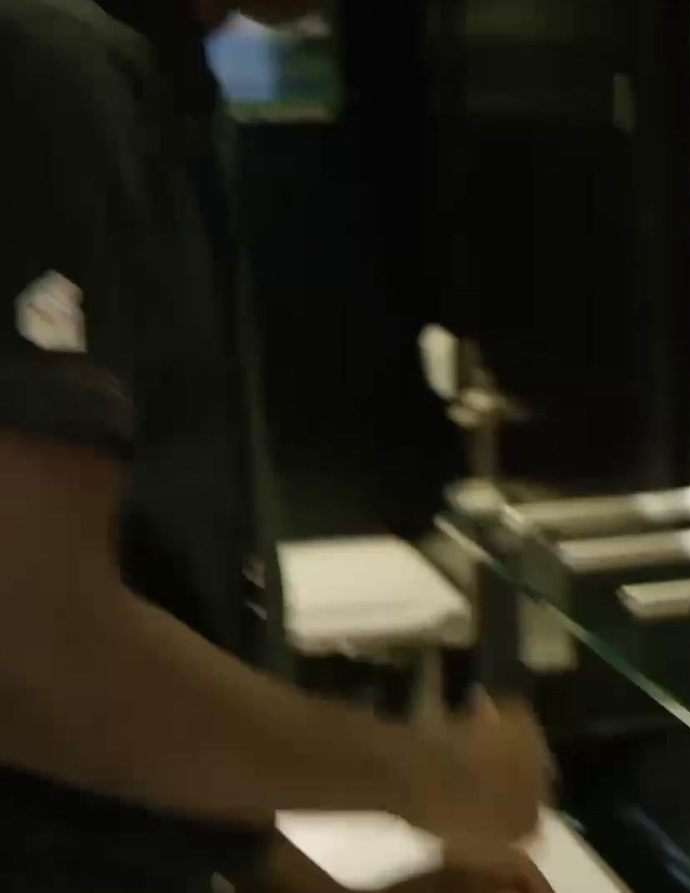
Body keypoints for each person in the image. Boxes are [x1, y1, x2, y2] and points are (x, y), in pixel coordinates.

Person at [0, 1, 553, 890]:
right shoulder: (43, 65)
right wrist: (428, 772)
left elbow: (111, 774)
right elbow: (32, 651)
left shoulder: (163, 82)